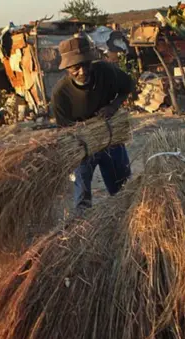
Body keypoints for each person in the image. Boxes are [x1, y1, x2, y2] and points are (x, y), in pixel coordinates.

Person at [51, 36, 134, 211]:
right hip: (83, 146)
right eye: (75, 67)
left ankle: (124, 222)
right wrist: (81, 139)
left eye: (86, 64)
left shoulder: (106, 71)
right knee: (82, 198)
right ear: (67, 68)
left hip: (111, 138)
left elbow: (128, 86)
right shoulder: (61, 94)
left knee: (123, 191)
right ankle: (84, 228)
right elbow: (65, 130)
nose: (83, 71)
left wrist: (113, 106)